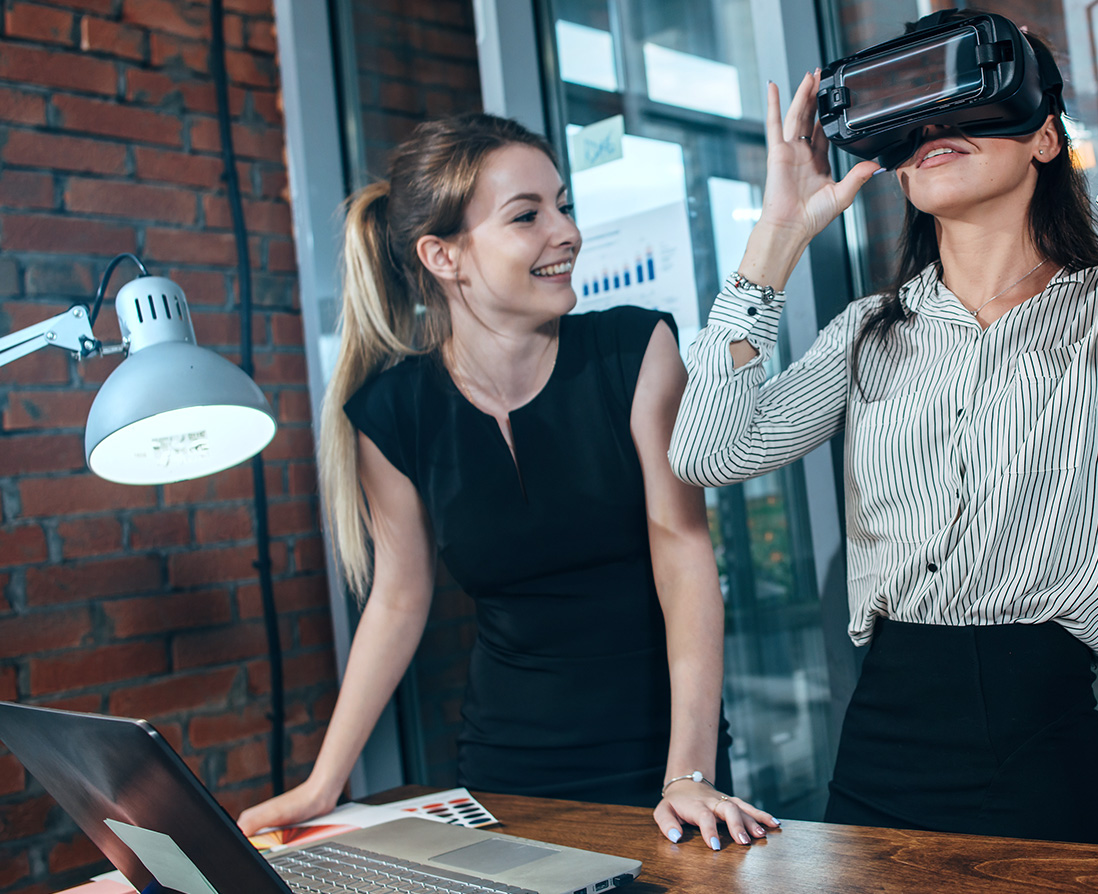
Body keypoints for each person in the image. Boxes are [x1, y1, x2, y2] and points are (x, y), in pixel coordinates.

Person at [668, 14, 1098, 845]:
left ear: (1041, 138)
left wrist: (1092, 124)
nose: (932, 131)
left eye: (959, 102)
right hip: (883, 744)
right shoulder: (866, 332)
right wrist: (776, 237)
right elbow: (709, 451)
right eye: (912, 119)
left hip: (1044, 744)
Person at [235, 113, 775, 850]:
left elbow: (684, 555)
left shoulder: (635, 349)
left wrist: (688, 773)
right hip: (504, 769)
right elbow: (396, 601)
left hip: (661, 761)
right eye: (527, 215)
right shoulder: (393, 413)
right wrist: (325, 781)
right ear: (443, 256)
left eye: (564, 205)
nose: (567, 232)